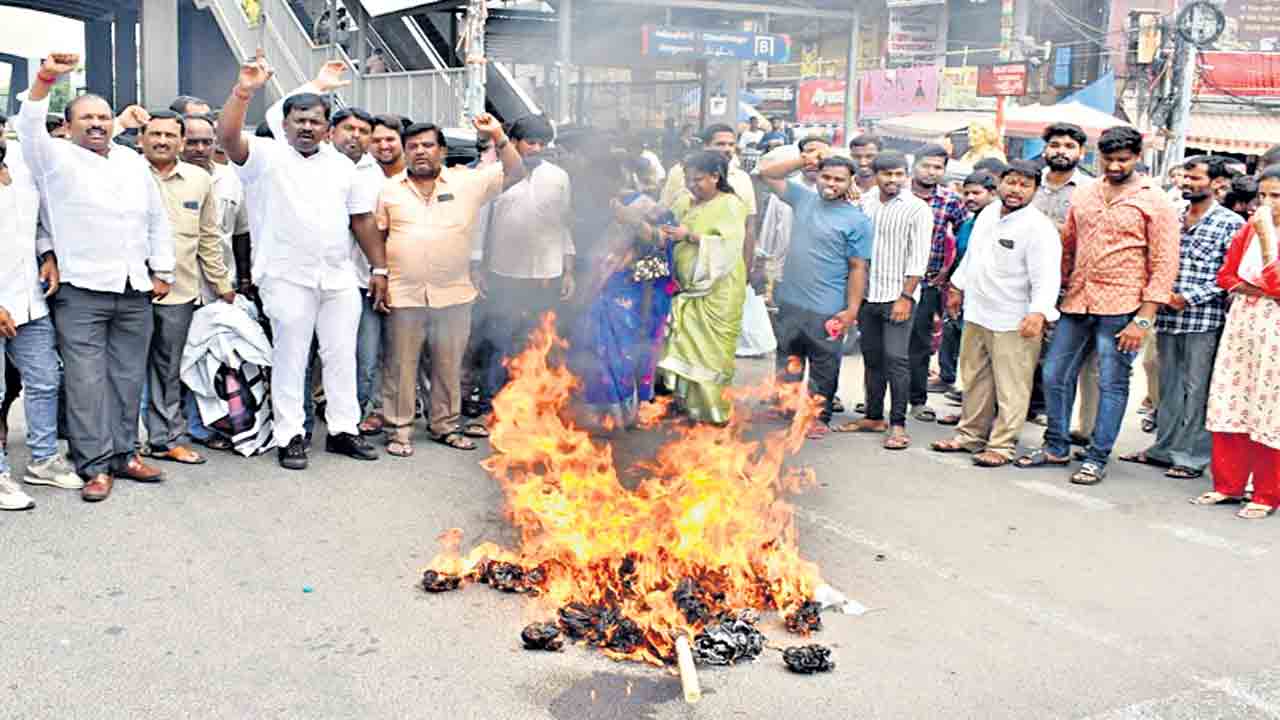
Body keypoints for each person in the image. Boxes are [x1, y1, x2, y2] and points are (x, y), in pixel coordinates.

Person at [216, 50, 385, 470]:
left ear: (327, 129)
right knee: (291, 357)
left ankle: (344, 430)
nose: (307, 127)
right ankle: (290, 435)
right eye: (299, 121)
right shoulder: (263, 157)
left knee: (341, 355)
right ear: (284, 125)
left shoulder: (345, 168)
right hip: (285, 276)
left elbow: (362, 220)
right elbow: (228, 137)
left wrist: (379, 268)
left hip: (338, 277)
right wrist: (243, 92)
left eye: (315, 121)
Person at [19, 52, 175, 502]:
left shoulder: (130, 162)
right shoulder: (53, 159)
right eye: (86, 117)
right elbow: (29, 125)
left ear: (115, 123)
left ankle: (125, 453)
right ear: (67, 126)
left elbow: (155, 218)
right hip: (80, 291)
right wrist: (47, 79)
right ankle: (94, 465)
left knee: (127, 378)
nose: (97, 124)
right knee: (86, 382)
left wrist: (161, 268)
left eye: (104, 117)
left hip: (134, 289)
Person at [1015, 126, 1179, 484]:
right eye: (1109, 159)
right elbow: (1068, 247)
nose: (1116, 166)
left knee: (1112, 382)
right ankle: (1055, 446)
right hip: (1077, 301)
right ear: (1098, 157)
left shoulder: (1156, 200)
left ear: (1138, 158)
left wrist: (1144, 320)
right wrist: (1050, 297)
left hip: (1123, 307)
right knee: (1054, 374)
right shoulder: (1086, 194)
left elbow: (1165, 263)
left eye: (1124, 159)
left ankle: (1097, 457)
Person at [376, 118, 521, 455]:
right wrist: (380, 273)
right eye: (412, 146)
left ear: (441, 150)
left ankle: (445, 426)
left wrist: (498, 136)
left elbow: (515, 173)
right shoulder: (389, 189)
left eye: (427, 145)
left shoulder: (467, 181)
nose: (420, 152)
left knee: (449, 364)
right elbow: (379, 236)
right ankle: (399, 431)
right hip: (404, 293)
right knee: (400, 365)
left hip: (454, 292)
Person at [1120, 155, 1243, 479]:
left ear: (1217, 184)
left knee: (1197, 390)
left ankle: (1192, 457)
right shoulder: (1173, 217)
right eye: (1184, 177)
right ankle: (1163, 449)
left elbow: (1229, 274)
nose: (1187, 183)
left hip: (1203, 320)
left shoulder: (1231, 223)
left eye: (1195, 178)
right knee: (1168, 387)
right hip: (1167, 318)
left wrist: (1187, 298)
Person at [931, 161, 1061, 467]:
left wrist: (1038, 313)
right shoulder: (988, 214)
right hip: (977, 311)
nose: (1016, 190)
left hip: (1014, 319)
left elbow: (1047, 276)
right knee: (975, 379)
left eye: (1024, 185)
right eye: (1011, 182)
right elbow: (973, 257)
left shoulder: (1038, 228)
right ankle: (969, 436)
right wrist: (956, 288)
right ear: (999, 183)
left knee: (1011, 386)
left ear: (1034, 190)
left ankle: (1001, 446)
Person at [138, 110, 236, 465]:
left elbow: (209, 237)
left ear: (180, 142)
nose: (162, 141)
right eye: (154, 134)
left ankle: (165, 440)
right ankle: (115, 443)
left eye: (169, 135)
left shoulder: (198, 179)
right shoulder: (125, 174)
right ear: (140, 139)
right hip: (128, 291)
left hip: (179, 291)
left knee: (169, 369)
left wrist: (222, 283)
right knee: (121, 369)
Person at [758, 149, 871, 436]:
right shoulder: (803, 198)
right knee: (789, 358)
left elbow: (858, 268)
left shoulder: (857, 220)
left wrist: (852, 310)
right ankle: (785, 408)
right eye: (826, 176)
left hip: (827, 306)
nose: (830, 184)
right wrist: (804, 159)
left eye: (839, 180)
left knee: (824, 364)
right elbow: (767, 173)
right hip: (791, 299)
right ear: (816, 176)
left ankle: (817, 416)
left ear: (851, 183)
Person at [1193, 166, 1280, 519]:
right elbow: (1226, 275)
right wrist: (1256, 289)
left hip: (1274, 330)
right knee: (1233, 398)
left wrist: (1266, 241)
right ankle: (1227, 485)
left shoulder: (1259, 233)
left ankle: (1266, 492)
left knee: (1268, 407)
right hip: (1243, 322)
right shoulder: (1247, 230)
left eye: (1277, 197)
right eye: (1264, 196)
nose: (1268, 204)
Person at [568, 156, 677, 429]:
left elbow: (664, 239)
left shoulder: (644, 206)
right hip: (592, 287)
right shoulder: (583, 206)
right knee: (590, 346)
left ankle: (619, 413)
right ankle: (593, 411)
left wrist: (631, 221)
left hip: (628, 290)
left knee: (621, 351)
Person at [0, 137, 80, 510]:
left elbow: (36, 221)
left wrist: (46, 253)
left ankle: (44, 459)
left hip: (29, 300)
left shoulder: (20, 160)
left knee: (46, 380)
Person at [478, 115, 575, 414]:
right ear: (515, 141)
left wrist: (569, 270)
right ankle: (492, 403)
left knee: (538, 338)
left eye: (542, 143)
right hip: (504, 272)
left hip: (546, 273)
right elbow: (479, 225)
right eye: (531, 142)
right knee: (499, 339)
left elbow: (564, 225)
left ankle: (532, 402)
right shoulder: (494, 174)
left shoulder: (559, 177)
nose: (536, 148)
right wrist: (476, 268)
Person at [835, 151, 931, 449]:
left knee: (897, 359)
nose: (893, 180)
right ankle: (874, 416)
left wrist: (905, 296)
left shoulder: (917, 209)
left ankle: (898, 424)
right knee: (873, 358)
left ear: (907, 175)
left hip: (897, 296)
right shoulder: (864, 203)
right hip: (866, 295)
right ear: (875, 175)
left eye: (899, 174)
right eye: (887, 174)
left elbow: (919, 258)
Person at [647, 150, 749, 424]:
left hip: (718, 292)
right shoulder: (685, 202)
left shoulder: (730, 205)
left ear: (716, 177)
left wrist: (688, 236)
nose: (693, 185)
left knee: (711, 355)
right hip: (686, 290)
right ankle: (688, 407)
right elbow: (666, 224)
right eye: (689, 180)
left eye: (699, 180)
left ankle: (715, 412)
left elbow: (727, 247)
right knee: (683, 347)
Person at [180, 112, 252, 452]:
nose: (198, 148)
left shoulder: (230, 179)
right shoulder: (158, 177)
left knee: (215, 359)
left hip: (221, 285)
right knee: (174, 358)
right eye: (191, 141)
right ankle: (172, 428)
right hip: (176, 286)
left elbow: (240, 234)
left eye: (206, 141)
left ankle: (206, 424)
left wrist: (244, 279)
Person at [1028, 122, 1093, 432]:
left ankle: (1043, 408)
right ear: (1045, 149)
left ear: (1081, 152)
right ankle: (1016, 405)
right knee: (1021, 343)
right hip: (1023, 277)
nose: (1061, 152)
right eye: (1055, 145)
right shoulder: (1028, 183)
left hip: (1066, 280)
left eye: (1069, 147)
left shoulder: (1089, 190)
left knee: (1053, 349)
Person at [909, 144, 970, 422]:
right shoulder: (896, 193)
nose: (932, 172)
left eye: (938, 167)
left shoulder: (950, 201)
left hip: (928, 284)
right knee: (885, 344)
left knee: (920, 344)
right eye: (926, 165)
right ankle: (877, 400)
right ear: (914, 165)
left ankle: (917, 400)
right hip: (889, 282)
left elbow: (962, 239)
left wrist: (947, 272)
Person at [936, 170, 999, 405]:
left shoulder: (996, 221)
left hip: (986, 296)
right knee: (964, 347)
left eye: (977, 193)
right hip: (963, 291)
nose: (970, 198)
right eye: (966, 193)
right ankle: (967, 396)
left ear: (992, 193)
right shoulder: (969, 223)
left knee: (982, 354)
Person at [661, 124, 758, 271]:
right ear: (705, 146)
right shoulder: (679, 172)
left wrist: (747, 267)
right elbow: (665, 212)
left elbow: (749, 226)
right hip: (684, 264)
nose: (727, 149)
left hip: (725, 268)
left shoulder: (742, 178)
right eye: (720, 144)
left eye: (731, 144)